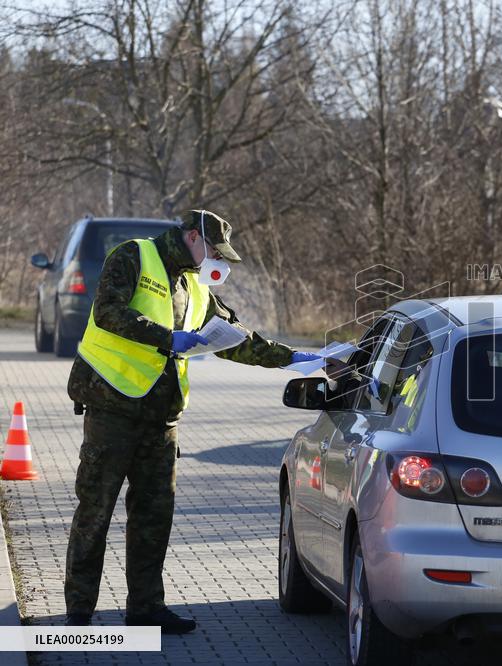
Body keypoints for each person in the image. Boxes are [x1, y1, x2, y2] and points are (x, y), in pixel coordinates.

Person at [64, 210, 321, 633]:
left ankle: (145, 609)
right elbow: (108, 311)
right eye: (214, 252)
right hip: (112, 410)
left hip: (162, 419)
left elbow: (234, 338)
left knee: (153, 517)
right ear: (191, 238)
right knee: (95, 511)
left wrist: (291, 357)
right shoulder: (132, 257)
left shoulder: (195, 287)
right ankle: (77, 615)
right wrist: (167, 338)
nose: (216, 262)